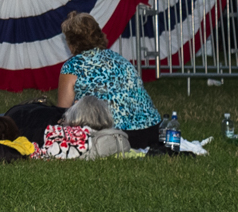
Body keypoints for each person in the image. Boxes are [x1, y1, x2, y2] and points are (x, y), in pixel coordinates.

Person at [55, 12, 161, 149]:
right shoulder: (120, 59)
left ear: (71, 42)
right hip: (151, 132)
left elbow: (63, 110)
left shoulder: (72, 66)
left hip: (114, 138)